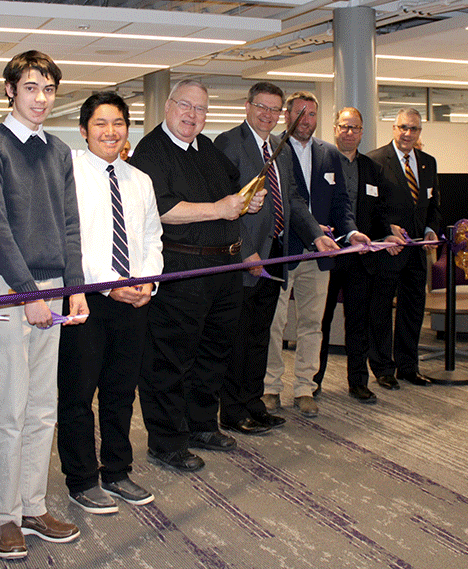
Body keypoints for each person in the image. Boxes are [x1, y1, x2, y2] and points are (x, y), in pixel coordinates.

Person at [0, 50, 88, 559]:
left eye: (48, 90)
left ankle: (34, 505)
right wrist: (31, 294)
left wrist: (74, 287)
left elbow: (69, 224)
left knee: (44, 409)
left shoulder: (59, 151)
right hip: (6, 288)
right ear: (9, 90)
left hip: (51, 287)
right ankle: (4, 516)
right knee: (10, 408)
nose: (41, 99)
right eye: (31, 88)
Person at [132, 80, 267, 472]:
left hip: (222, 269)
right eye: (185, 106)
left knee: (212, 353)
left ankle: (201, 424)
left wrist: (247, 201)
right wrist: (220, 208)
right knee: (169, 360)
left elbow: (231, 197)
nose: (192, 115)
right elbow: (159, 209)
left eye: (201, 109)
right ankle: (167, 441)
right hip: (181, 270)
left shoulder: (207, 149)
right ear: (168, 105)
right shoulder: (150, 151)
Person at [58, 92, 163, 512]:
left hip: (135, 301)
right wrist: (108, 284)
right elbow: (70, 240)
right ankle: (82, 479)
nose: (111, 132)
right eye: (101, 124)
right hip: (88, 300)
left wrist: (148, 283)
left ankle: (117, 471)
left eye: (118, 123)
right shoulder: (70, 173)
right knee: (78, 393)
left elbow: (153, 237)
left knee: (121, 391)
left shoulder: (140, 180)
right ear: (84, 131)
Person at [216, 81, 338, 436]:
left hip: (277, 256)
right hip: (245, 258)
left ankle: (254, 403)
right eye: (262, 108)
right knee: (240, 338)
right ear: (248, 106)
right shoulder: (229, 144)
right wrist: (244, 248)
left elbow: (295, 201)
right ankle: (233, 410)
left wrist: (316, 234)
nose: (268, 115)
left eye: (274, 109)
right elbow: (223, 202)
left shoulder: (280, 148)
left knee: (261, 335)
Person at [263, 92, 367, 418]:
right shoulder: (274, 149)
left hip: (320, 256)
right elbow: (281, 202)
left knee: (312, 323)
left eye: (311, 115)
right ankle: (270, 387)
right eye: (300, 114)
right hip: (283, 251)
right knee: (275, 324)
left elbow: (341, 205)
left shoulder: (329, 154)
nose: (306, 121)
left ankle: (305, 386)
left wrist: (350, 232)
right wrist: (313, 230)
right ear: (287, 116)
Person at [315, 107, 402, 404]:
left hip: (361, 257)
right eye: (344, 126)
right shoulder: (321, 161)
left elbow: (378, 212)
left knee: (358, 323)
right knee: (320, 323)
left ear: (362, 132)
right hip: (327, 255)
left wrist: (387, 233)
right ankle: (313, 381)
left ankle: (358, 381)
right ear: (335, 129)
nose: (349, 132)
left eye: (355, 128)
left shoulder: (372, 169)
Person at [367, 108, 441, 389]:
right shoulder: (375, 161)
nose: (408, 134)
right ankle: (383, 368)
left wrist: (431, 229)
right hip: (389, 252)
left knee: (413, 310)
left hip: (417, 253)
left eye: (414, 129)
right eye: (403, 128)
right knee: (382, 311)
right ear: (393, 129)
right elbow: (369, 209)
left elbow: (433, 205)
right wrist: (386, 231)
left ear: (419, 131)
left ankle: (409, 367)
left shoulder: (428, 163)